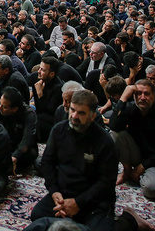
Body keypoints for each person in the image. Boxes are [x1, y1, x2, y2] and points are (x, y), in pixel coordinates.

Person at [26, 90, 143, 231]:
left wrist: (78, 203)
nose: (74, 116)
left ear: (93, 116)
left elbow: (106, 182)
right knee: (37, 216)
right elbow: (48, 163)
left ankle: (128, 219)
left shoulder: (104, 142)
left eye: (81, 113)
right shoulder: (58, 130)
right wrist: (54, 192)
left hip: (93, 201)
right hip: (63, 194)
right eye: (72, 110)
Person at [108, 79, 155, 198]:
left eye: (146, 94)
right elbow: (113, 126)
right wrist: (123, 97)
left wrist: (141, 167)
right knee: (115, 134)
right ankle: (127, 171)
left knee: (151, 188)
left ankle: (141, 175)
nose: (142, 98)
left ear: (153, 95)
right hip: (137, 154)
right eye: (138, 94)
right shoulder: (131, 108)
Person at [0, 86, 38, 173]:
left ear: (15, 109)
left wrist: (15, 156)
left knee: (30, 154)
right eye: (0, 104)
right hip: (5, 143)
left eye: (4, 107)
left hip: (20, 147)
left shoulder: (29, 115)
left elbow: (27, 140)